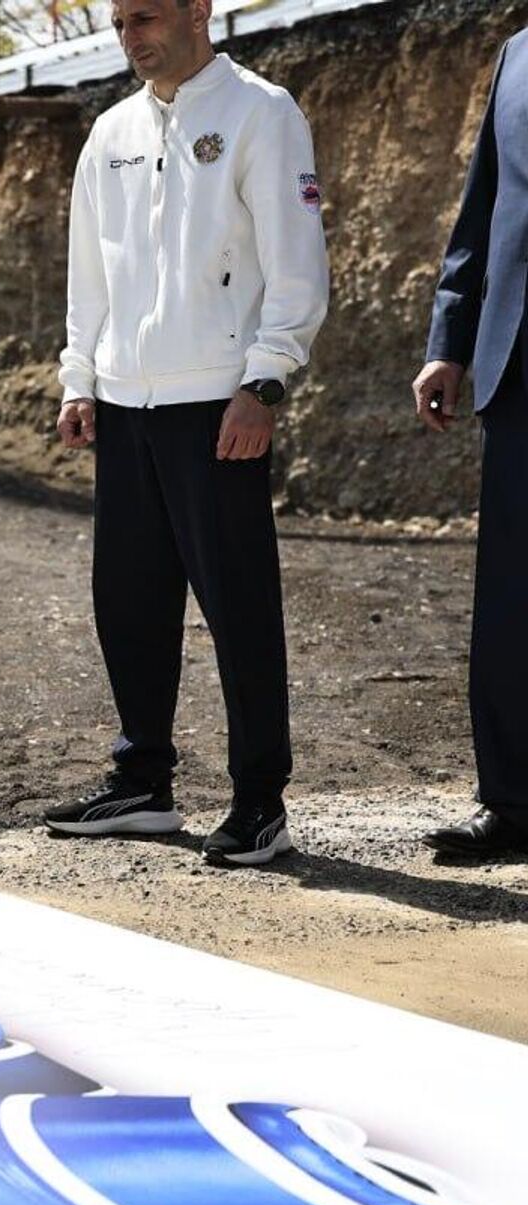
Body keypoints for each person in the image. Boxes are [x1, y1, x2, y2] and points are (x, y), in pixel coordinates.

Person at [44, 0, 329, 866]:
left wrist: (265, 378)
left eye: (147, 17)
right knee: (127, 601)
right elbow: (89, 272)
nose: (132, 37)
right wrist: (80, 378)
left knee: (239, 607)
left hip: (217, 403)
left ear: (199, 10)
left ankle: (259, 801)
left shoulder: (261, 112)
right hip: (125, 402)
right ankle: (142, 783)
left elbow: (295, 261)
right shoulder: (111, 132)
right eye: (119, 23)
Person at [412, 28, 528, 862]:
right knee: (512, 602)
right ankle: (514, 803)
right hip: (517, 363)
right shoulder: (517, 54)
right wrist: (448, 342)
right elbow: (482, 206)